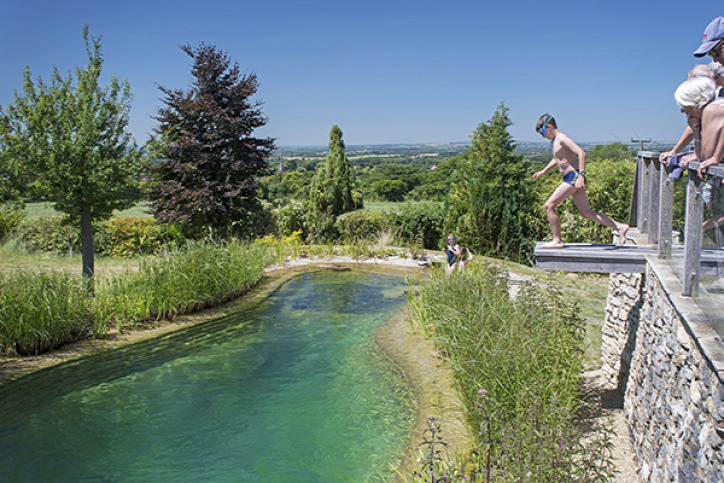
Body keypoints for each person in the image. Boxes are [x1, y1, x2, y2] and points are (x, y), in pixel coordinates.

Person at [533, 114, 630, 248]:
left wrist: (581, 176)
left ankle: (557, 240)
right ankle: (619, 226)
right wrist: (544, 171)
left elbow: (581, 153)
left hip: (573, 178)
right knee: (586, 213)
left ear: (549, 127)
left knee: (549, 206)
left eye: (543, 132)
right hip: (571, 179)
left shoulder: (562, 139)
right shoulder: (555, 141)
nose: (543, 136)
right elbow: (557, 158)